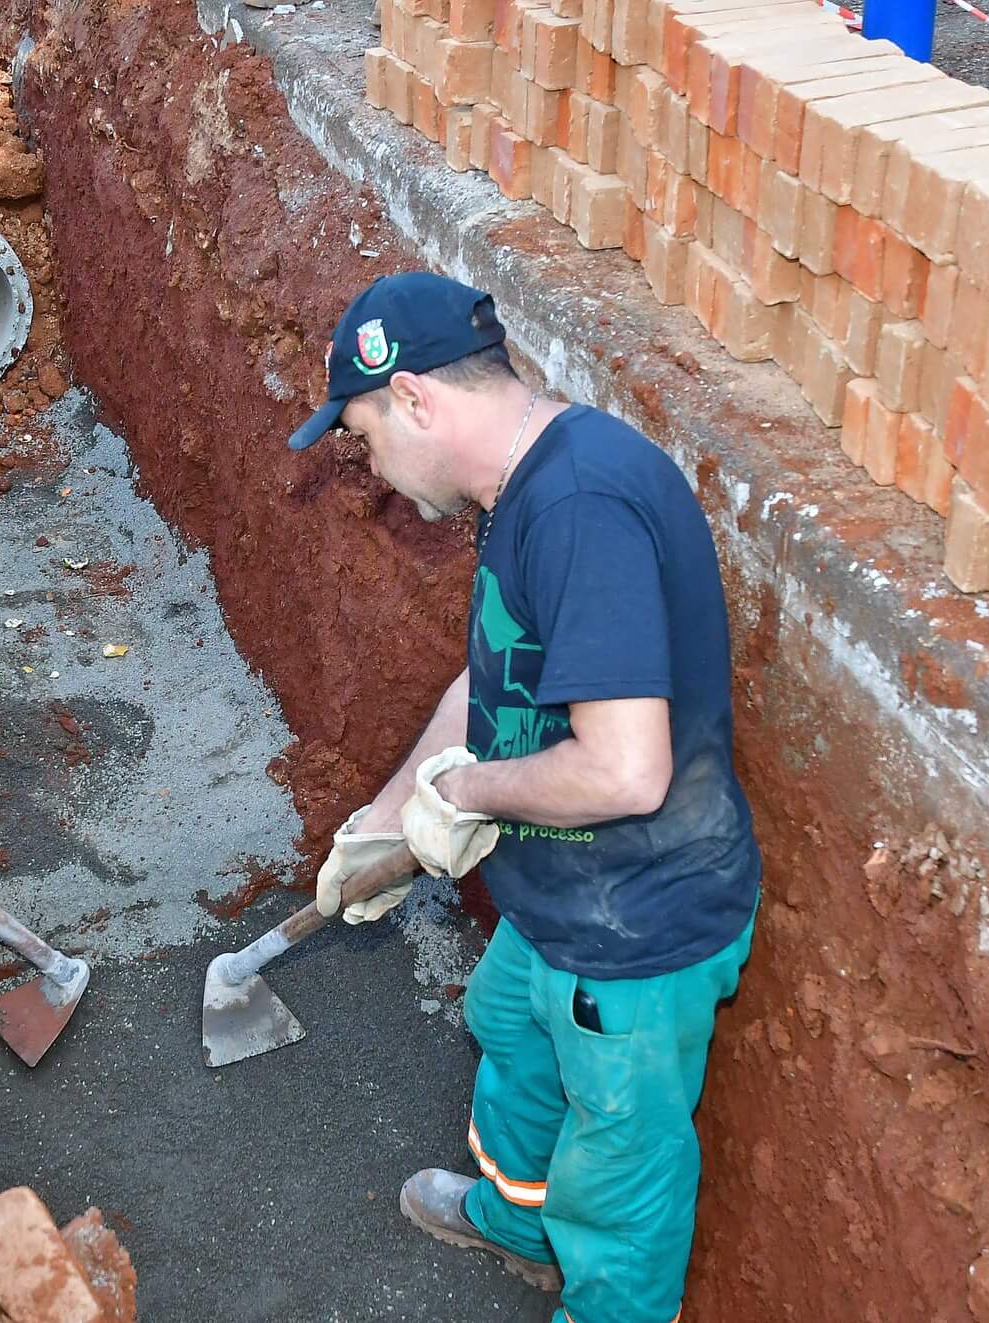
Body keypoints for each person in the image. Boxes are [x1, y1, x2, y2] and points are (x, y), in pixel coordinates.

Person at [287, 272, 762, 1323]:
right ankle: (518, 1219)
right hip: (563, 886)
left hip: (637, 922)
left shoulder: (580, 507)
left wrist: (465, 796)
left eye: (361, 435)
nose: (365, 462)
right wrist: (382, 819)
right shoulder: (519, 488)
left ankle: (601, 1297)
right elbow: (486, 681)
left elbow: (622, 769)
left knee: (618, 1181)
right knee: (506, 1023)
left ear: (413, 399)